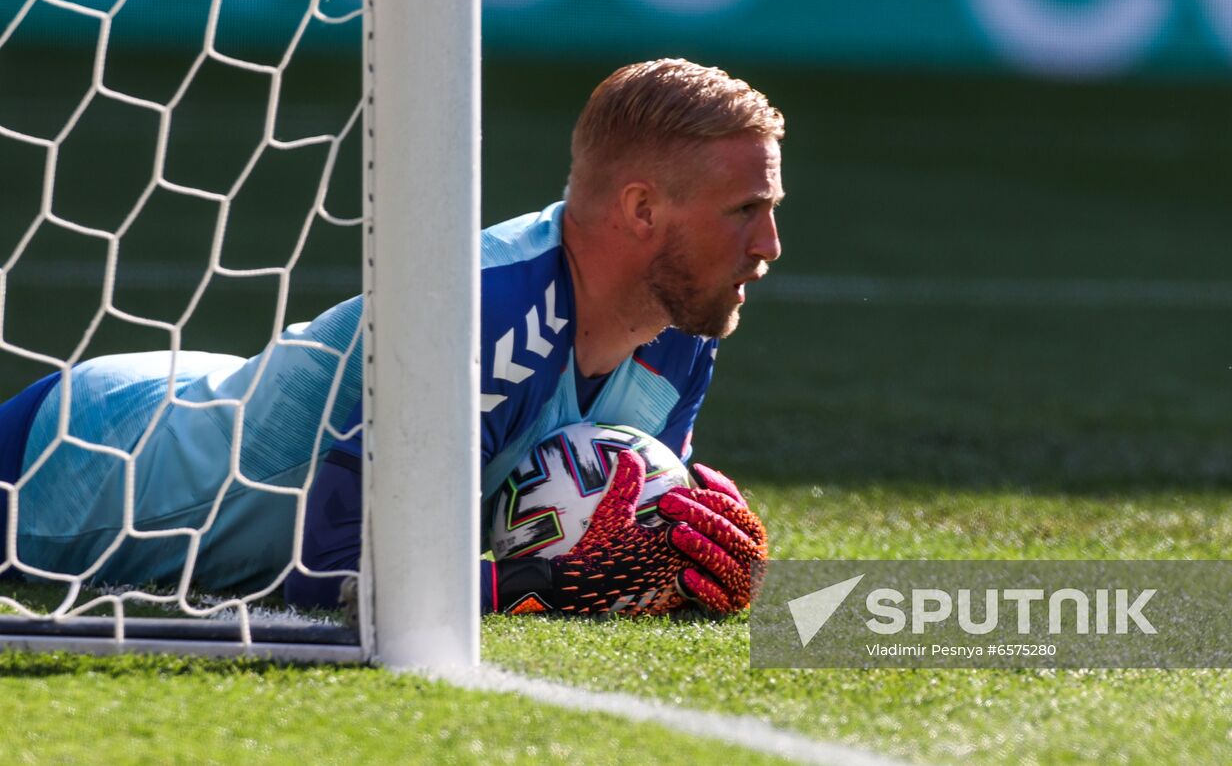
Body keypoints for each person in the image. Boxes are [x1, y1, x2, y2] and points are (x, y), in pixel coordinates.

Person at [0, 59, 782, 616]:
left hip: (200, 395)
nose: (769, 243)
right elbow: (330, 573)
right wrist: (543, 587)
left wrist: (677, 554)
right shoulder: (478, 308)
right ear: (643, 211)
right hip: (74, 466)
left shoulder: (682, 327)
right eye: (744, 210)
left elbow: (609, 525)